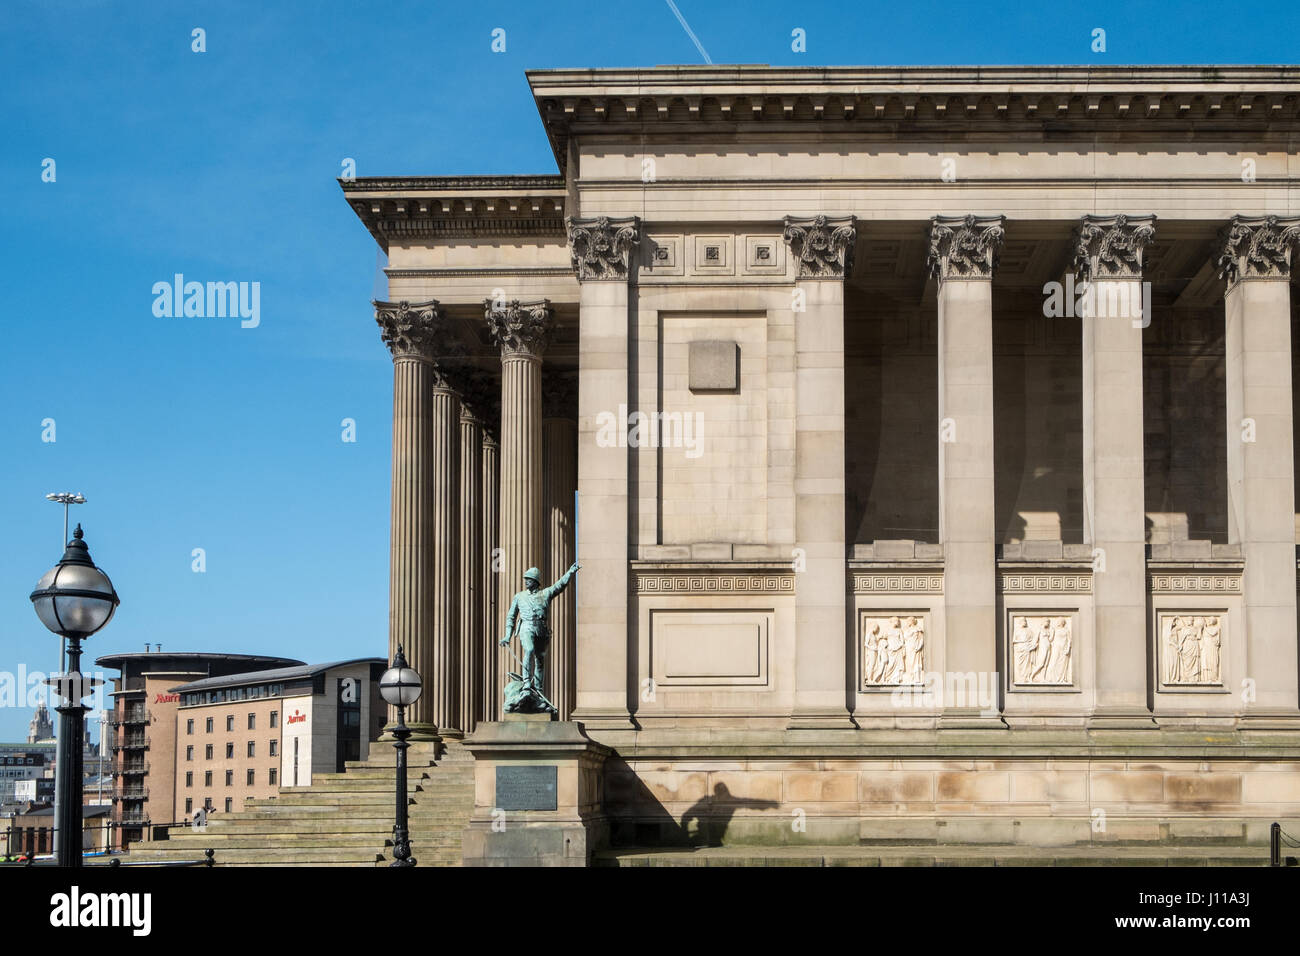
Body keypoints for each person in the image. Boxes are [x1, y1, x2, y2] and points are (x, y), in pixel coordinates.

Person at [500, 562, 581, 712]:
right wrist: (507, 636)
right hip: (526, 627)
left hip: (541, 629)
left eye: (528, 579)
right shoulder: (519, 596)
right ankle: (526, 684)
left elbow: (559, 586)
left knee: (540, 661)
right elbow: (511, 617)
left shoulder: (545, 593)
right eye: (525, 579)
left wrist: (570, 573)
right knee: (529, 650)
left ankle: (538, 689)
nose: (525, 582)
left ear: (535, 581)